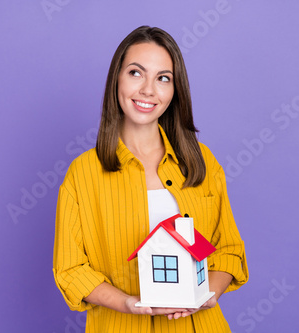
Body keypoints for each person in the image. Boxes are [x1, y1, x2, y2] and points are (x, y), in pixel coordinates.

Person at [53, 25, 248, 332]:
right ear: (116, 78)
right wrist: (127, 303)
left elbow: (229, 250)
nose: (148, 90)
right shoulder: (83, 173)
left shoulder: (202, 161)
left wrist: (205, 294)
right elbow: (71, 269)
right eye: (135, 73)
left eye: (163, 78)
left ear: (174, 90)